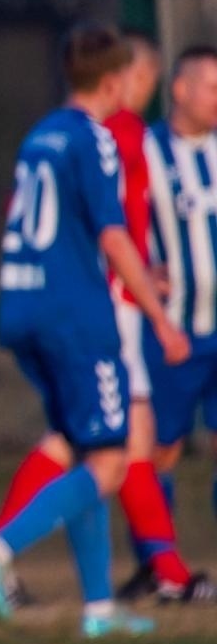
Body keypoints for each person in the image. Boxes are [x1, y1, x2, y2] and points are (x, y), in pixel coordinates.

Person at [0, 21, 190, 637]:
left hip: (22, 306)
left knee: (85, 448)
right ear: (115, 81)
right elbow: (113, 236)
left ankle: (97, 609)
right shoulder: (96, 139)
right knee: (112, 460)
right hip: (75, 314)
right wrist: (161, 319)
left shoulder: (40, 135)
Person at [131, 44, 217, 603]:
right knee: (158, 450)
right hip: (174, 331)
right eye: (211, 87)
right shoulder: (145, 152)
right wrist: (143, 272)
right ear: (180, 90)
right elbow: (117, 228)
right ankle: (159, 569)